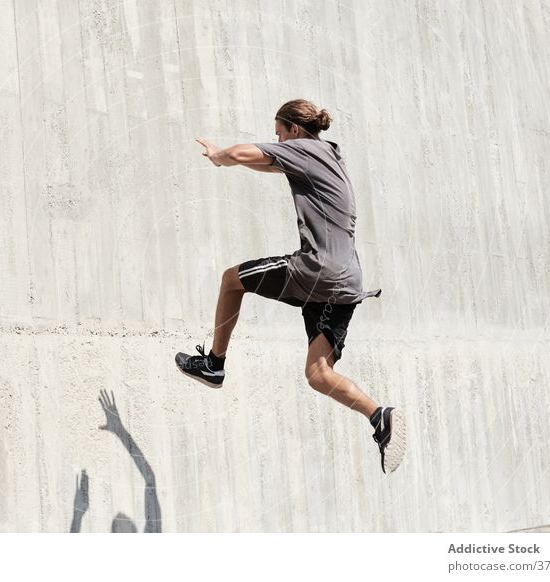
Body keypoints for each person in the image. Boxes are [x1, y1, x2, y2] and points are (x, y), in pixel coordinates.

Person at [174, 99, 406, 474]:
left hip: (317, 271)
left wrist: (221, 155)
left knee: (231, 281)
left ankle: (214, 364)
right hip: (345, 284)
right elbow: (268, 162)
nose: (277, 141)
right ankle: (380, 418)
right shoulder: (328, 157)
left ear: (294, 131)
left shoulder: (305, 149)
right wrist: (249, 159)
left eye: (279, 134)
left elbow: (247, 153)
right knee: (318, 374)